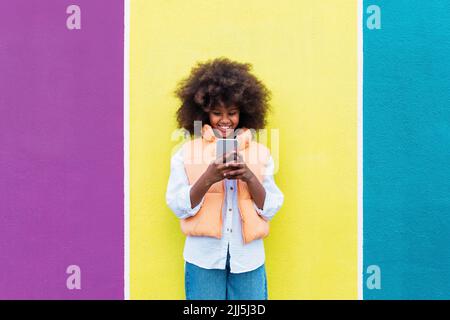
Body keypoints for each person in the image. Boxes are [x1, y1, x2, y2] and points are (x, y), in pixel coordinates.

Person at [166, 57, 284, 300]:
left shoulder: (261, 155)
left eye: (232, 112)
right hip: (203, 259)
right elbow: (178, 206)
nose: (225, 120)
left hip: (248, 259)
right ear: (203, 113)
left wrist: (249, 177)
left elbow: (270, 208)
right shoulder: (186, 154)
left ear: (245, 112)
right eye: (216, 113)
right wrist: (208, 178)